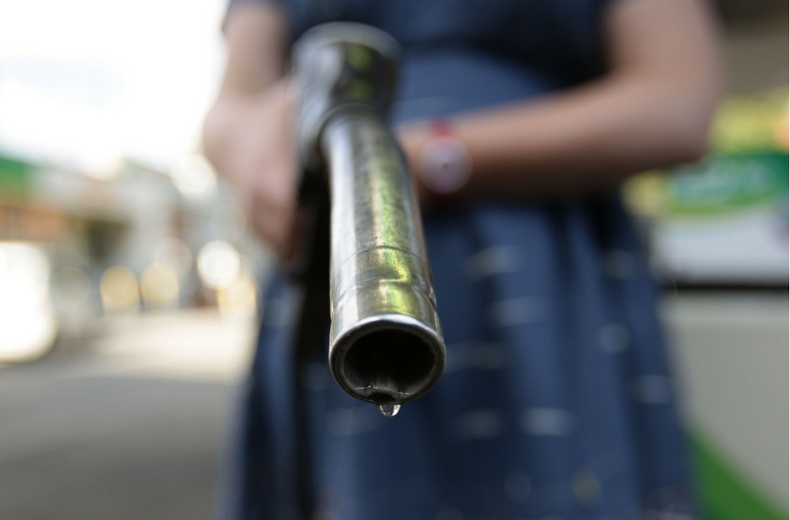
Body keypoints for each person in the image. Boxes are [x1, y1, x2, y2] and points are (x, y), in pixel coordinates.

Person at [203, 0, 721, 518]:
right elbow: (232, 108)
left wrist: (428, 155)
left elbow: (678, 101)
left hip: (541, 277)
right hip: (332, 266)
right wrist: (256, 156)